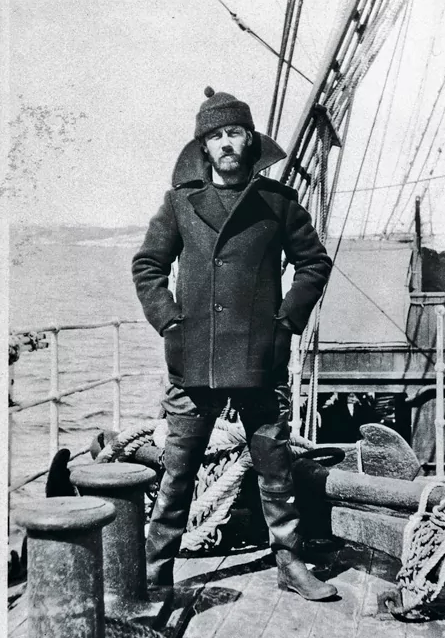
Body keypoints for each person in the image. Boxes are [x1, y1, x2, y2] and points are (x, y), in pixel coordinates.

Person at [132, 87, 336, 601]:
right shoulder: (180, 204)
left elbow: (314, 264)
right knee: (178, 473)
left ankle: (291, 566)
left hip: (259, 358)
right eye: (216, 136)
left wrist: (285, 321)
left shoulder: (278, 204)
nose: (226, 144)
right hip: (194, 359)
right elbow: (148, 266)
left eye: (235, 133)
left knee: (275, 467)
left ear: (251, 141)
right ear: (205, 146)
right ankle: (155, 574)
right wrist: (170, 323)